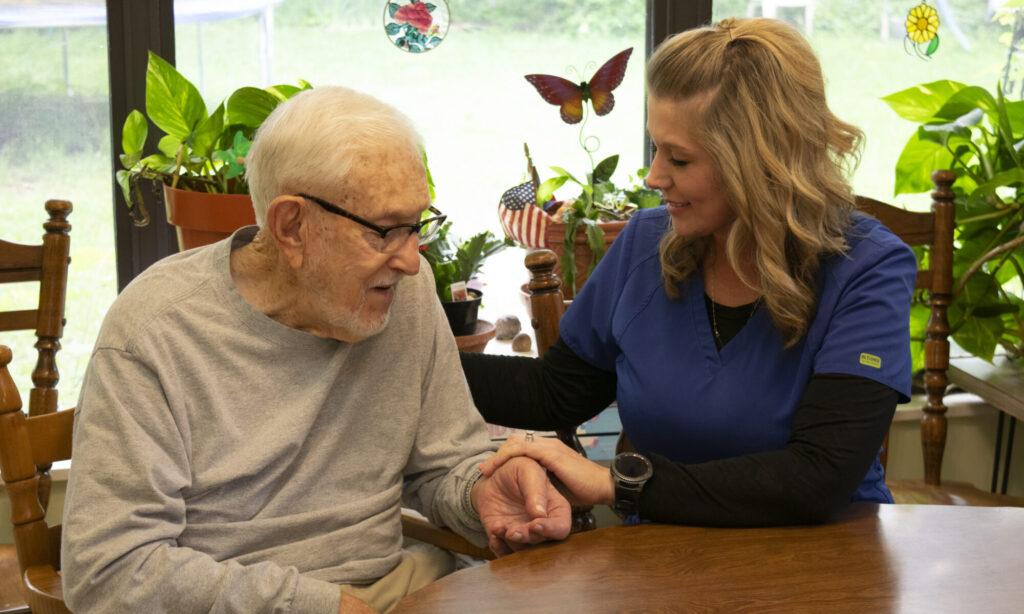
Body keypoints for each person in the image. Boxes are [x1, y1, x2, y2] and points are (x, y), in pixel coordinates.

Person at [61, 86, 571, 614]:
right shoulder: (157, 332)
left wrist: (481, 494)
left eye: (417, 225)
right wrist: (318, 606)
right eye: (385, 231)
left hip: (399, 586)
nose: (412, 262)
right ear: (291, 227)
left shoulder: (400, 293)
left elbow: (443, 464)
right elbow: (111, 570)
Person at [462, 17, 918, 527]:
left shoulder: (868, 269)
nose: (655, 176)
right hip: (664, 561)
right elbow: (555, 393)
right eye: (657, 148)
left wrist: (618, 484)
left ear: (761, 164)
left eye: (679, 159)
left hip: (820, 562)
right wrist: (412, 358)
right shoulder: (645, 243)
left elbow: (818, 477)